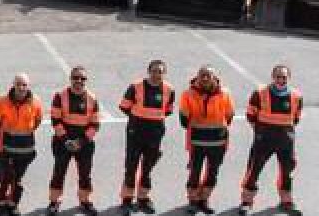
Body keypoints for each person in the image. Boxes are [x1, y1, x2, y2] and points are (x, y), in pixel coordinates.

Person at [239, 64, 303, 216]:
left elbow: (296, 118)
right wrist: (260, 131)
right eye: (278, 76)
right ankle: (246, 201)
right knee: (253, 170)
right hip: (264, 139)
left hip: (285, 140)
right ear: (273, 77)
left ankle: (286, 201)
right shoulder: (259, 93)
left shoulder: (296, 96)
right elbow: (250, 115)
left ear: (289, 78)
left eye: (284, 77)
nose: (281, 79)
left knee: (287, 172)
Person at [119, 59, 175, 215]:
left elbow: (168, 110)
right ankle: (127, 199)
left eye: (160, 71)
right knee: (131, 166)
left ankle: (143, 198)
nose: (157, 74)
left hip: (155, 133)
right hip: (136, 131)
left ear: (164, 73)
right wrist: (138, 118)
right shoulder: (135, 86)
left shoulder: (169, 89)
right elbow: (124, 106)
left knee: (147, 167)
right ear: (148, 71)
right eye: (154, 71)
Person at [179, 66, 235, 215]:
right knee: (194, 172)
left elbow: (230, 115)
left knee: (212, 173)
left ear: (214, 77)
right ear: (197, 77)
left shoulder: (225, 93)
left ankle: (204, 200)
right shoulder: (187, 94)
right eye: (202, 75)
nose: (204, 78)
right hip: (196, 142)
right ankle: (193, 200)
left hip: (218, 142)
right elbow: (183, 119)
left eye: (208, 75)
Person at [46, 66, 100, 216]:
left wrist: (81, 142)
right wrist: (66, 141)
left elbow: (95, 124)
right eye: (76, 77)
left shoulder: (92, 98)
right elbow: (55, 120)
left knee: (85, 174)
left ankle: (85, 201)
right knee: (58, 173)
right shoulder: (60, 96)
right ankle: (54, 202)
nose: (79, 81)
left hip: (84, 144)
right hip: (63, 143)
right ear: (71, 79)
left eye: (82, 78)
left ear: (85, 80)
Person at [0, 73, 43, 216]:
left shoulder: (36, 101)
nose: (21, 87)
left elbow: (37, 121)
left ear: (28, 86)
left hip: (26, 149)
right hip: (5, 147)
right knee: (4, 177)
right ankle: (1, 203)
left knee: (18, 179)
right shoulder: (1, 100)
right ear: (13, 85)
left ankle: (13, 204)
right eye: (18, 84)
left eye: (24, 85)